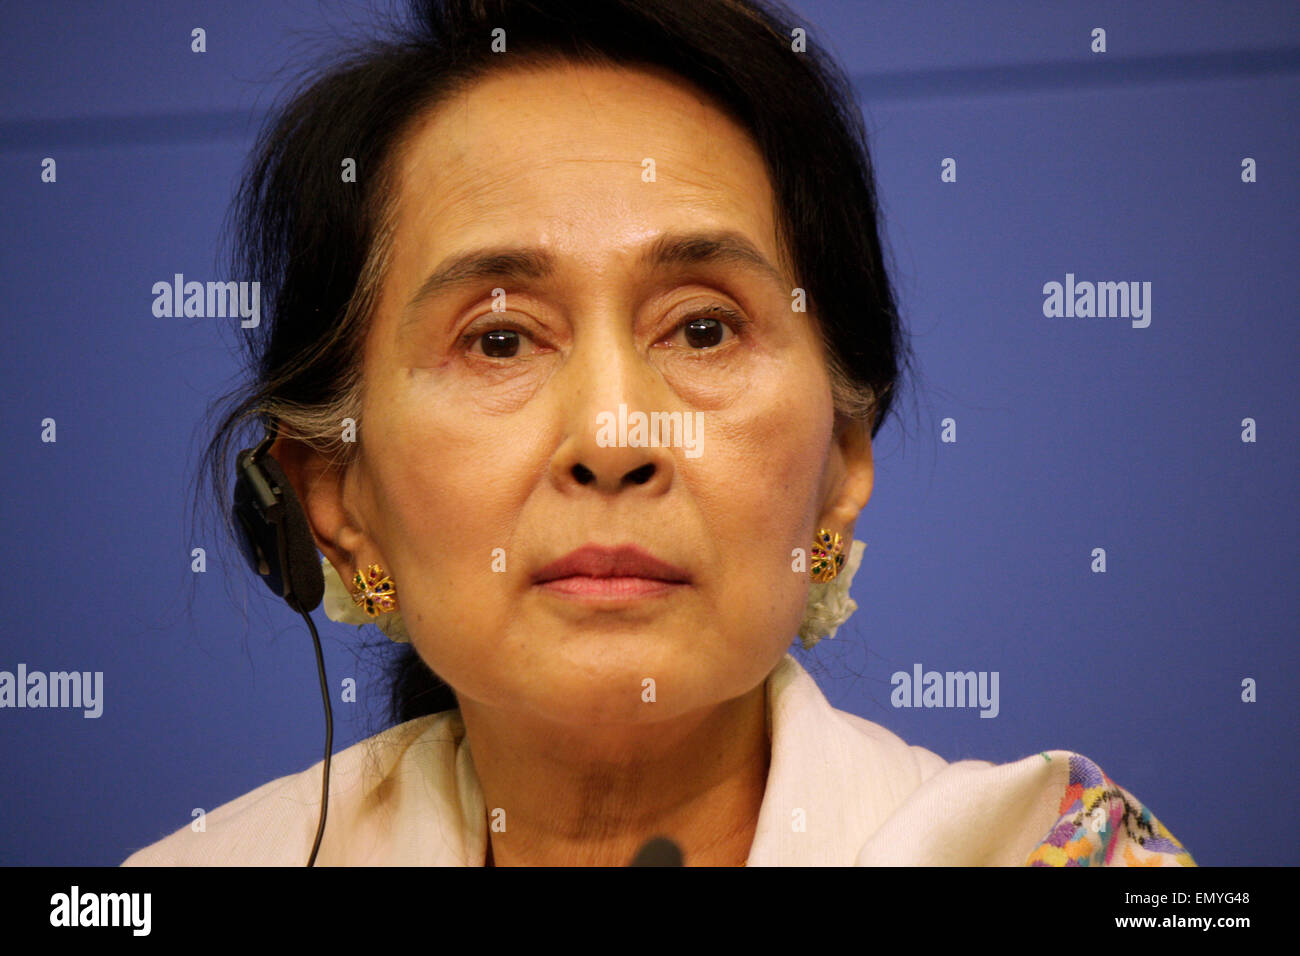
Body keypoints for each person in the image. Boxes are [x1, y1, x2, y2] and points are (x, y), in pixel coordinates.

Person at [123, 0, 1193, 866]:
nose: (612, 433)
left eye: (703, 327)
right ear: (335, 499)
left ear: (839, 468)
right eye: (499, 340)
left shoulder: (1052, 856)